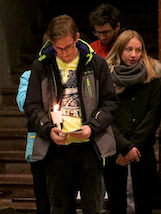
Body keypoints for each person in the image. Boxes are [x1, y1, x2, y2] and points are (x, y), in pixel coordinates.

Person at [24, 15, 119, 214]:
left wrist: (91, 127)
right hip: (55, 148)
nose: (64, 53)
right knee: (59, 206)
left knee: (93, 205)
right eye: (58, 48)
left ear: (76, 38)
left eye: (68, 47)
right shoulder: (41, 66)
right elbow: (32, 106)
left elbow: (110, 102)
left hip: (89, 146)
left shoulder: (96, 64)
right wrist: (48, 129)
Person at [103, 30, 161, 214]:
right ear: (120, 50)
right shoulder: (106, 76)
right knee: (117, 204)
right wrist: (124, 146)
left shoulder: (151, 76)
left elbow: (153, 114)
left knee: (144, 202)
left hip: (142, 149)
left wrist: (133, 147)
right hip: (115, 149)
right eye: (129, 49)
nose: (134, 55)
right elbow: (105, 115)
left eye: (138, 50)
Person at [17, 67, 48, 214]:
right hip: (38, 143)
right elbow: (23, 103)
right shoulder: (29, 75)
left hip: (65, 143)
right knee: (42, 197)